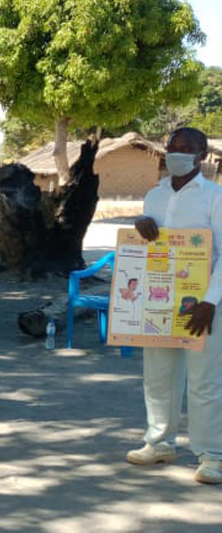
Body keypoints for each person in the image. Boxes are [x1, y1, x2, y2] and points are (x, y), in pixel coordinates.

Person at [127, 127, 222, 485]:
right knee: (159, 377)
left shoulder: (215, 197)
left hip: (205, 306)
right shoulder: (154, 195)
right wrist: (140, 226)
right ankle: (160, 441)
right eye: (172, 146)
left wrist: (210, 302)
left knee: (205, 381)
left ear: (202, 155)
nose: (176, 152)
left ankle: (212, 455)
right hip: (159, 303)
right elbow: (148, 248)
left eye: (186, 148)